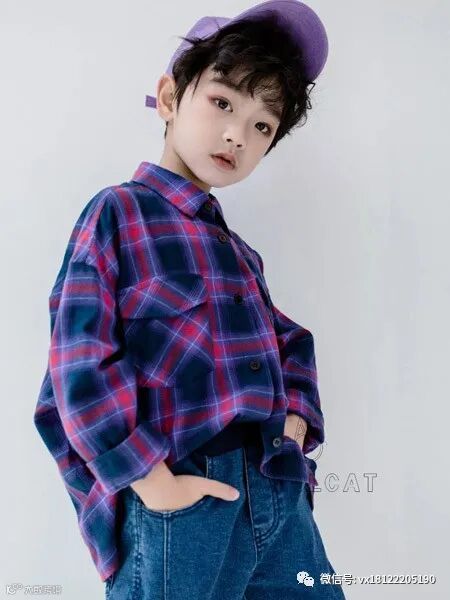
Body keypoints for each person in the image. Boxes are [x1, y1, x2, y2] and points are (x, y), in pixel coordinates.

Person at [34, 1, 346, 598]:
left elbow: (289, 340)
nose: (237, 135)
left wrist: (297, 419)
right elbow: (78, 364)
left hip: (274, 489)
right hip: (185, 494)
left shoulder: (240, 254)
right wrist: (150, 479)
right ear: (170, 97)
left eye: (262, 126)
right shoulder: (118, 214)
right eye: (223, 102)